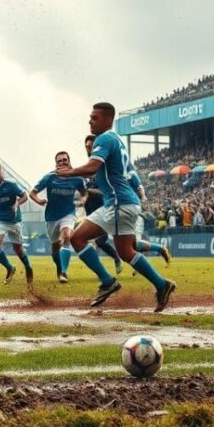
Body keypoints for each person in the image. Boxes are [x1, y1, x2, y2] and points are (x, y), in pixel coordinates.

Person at [56, 102, 176, 312]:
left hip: (119, 203)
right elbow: (121, 170)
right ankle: (158, 284)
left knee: (107, 246)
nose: (90, 121)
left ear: (108, 120)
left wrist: (69, 172)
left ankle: (114, 281)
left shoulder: (104, 138)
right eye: (90, 117)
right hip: (119, 203)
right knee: (109, 246)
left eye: (94, 117)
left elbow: (93, 166)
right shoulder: (117, 140)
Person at [30, 151, 87, 284]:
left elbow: (85, 193)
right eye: (59, 160)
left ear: (69, 161)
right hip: (51, 217)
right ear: (56, 164)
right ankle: (59, 266)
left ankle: (64, 272)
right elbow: (33, 192)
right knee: (55, 248)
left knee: (67, 237)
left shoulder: (77, 178)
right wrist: (39, 201)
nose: (62, 162)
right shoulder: (49, 177)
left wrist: (82, 201)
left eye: (65, 160)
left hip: (68, 214)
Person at [0, 161, 33, 286]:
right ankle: (9, 268)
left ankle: (28, 267)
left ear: (0, 170)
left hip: (14, 220)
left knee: (19, 250)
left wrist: (17, 204)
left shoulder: (11, 184)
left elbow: (24, 196)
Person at [82, 135, 124, 273]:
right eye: (87, 147)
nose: (88, 149)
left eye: (91, 146)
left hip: (104, 211)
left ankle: (117, 260)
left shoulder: (103, 168)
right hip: (90, 213)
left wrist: (90, 191)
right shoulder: (87, 170)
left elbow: (105, 192)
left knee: (101, 242)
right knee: (82, 240)